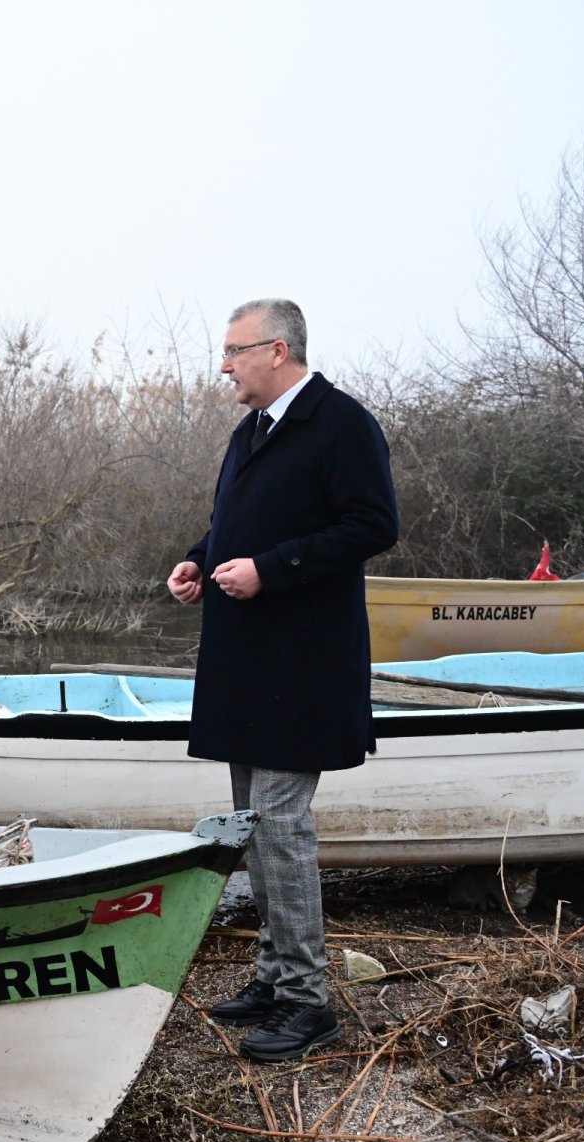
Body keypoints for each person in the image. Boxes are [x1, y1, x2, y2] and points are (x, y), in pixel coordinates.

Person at [167, 299, 398, 1062]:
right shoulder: (252, 430)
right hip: (245, 664)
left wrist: (271, 569)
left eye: (234, 351)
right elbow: (238, 521)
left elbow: (373, 524)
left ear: (277, 349)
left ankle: (306, 1001)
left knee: (280, 828)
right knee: (254, 826)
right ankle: (273, 977)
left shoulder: (341, 422)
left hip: (304, 664)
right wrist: (199, 558)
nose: (223, 365)